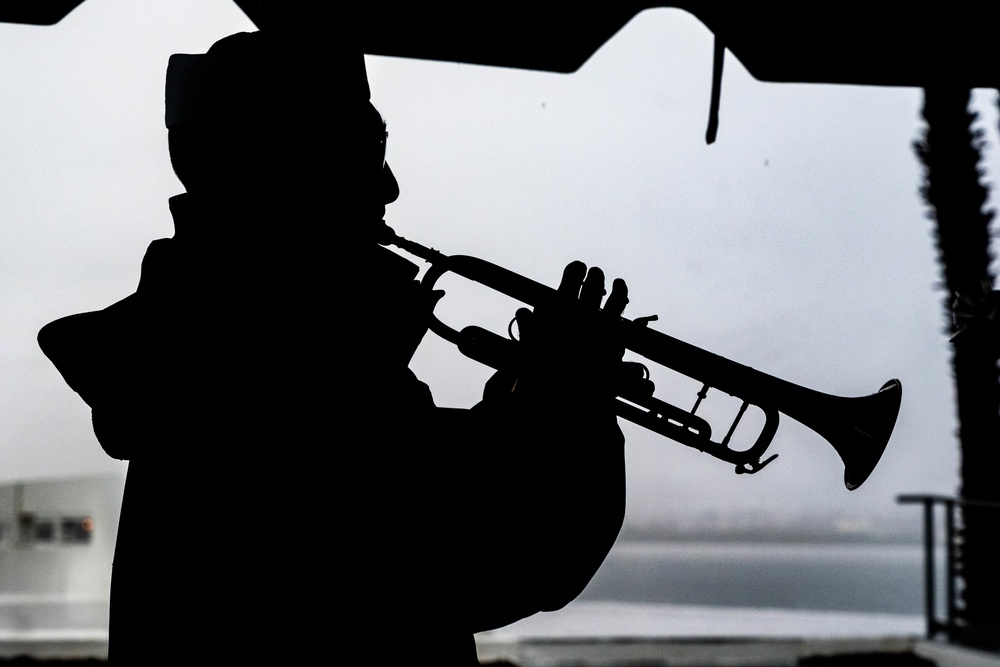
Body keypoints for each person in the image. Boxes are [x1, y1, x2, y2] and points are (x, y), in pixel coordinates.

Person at [38, 29, 630, 664]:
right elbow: (500, 557)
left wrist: (530, 394)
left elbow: (407, 501)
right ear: (296, 171)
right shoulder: (294, 373)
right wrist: (571, 405)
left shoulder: (221, 351)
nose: (391, 189)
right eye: (369, 155)